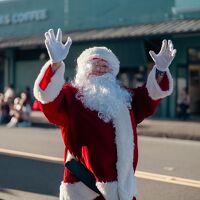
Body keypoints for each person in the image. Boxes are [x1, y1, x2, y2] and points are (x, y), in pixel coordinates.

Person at [33, 29, 176, 200]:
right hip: (85, 188)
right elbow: (49, 101)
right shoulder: (71, 96)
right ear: (84, 70)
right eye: (96, 64)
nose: (101, 68)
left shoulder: (123, 96)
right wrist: (55, 64)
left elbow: (148, 97)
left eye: (105, 66)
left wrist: (160, 70)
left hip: (122, 189)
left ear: (112, 71)